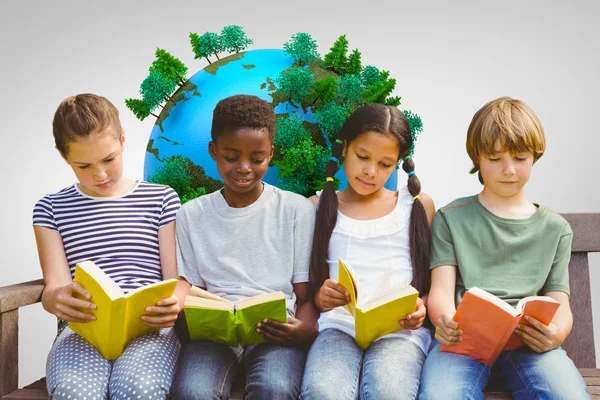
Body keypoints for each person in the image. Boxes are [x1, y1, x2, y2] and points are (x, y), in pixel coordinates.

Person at [418, 96, 590, 399]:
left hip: (528, 346)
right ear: (477, 159)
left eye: (520, 158)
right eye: (495, 159)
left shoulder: (555, 228)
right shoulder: (451, 218)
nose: (508, 170)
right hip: (463, 341)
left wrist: (556, 334)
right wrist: (445, 319)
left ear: (535, 156)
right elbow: (441, 290)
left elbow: (558, 297)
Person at [33, 93, 188, 399]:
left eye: (108, 159)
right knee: (74, 391)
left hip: (149, 328)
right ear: (64, 157)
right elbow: (55, 286)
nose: (100, 174)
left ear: (122, 141)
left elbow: (177, 280)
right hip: (83, 329)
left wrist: (176, 303)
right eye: (84, 165)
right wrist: (55, 299)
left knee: (139, 389)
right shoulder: (50, 208)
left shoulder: (161, 199)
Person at [171, 94, 318, 400]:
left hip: (276, 331)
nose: (244, 168)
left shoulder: (296, 210)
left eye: (257, 158)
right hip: (214, 335)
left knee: (275, 389)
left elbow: (304, 295)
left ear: (271, 154)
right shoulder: (191, 214)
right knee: (193, 392)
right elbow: (191, 289)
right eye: (231, 156)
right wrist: (184, 315)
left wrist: (305, 328)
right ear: (213, 150)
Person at [300, 103, 435, 400]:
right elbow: (310, 286)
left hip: (399, 331)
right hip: (339, 325)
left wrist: (422, 307)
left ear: (399, 163)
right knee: (323, 391)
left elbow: (431, 278)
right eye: (362, 157)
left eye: (385, 164)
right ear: (344, 148)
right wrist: (322, 296)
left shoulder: (415, 206)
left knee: (390, 392)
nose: (371, 172)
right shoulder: (318, 206)